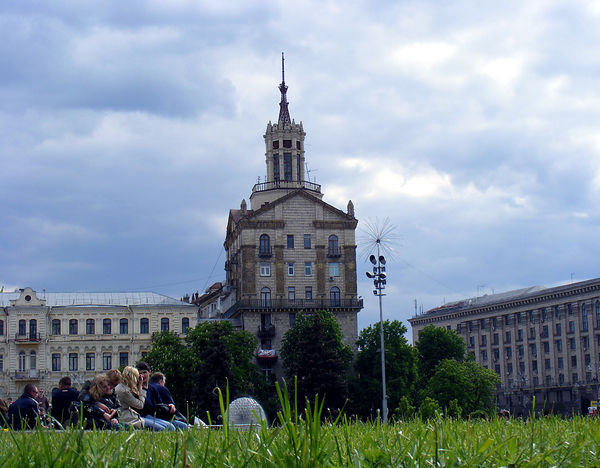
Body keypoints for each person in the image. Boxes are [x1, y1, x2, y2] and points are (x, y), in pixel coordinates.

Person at [115, 366, 174, 431]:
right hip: (130, 420)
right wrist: (140, 388)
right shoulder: (124, 391)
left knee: (170, 426)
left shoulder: (124, 387)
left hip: (135, 417)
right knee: (165, 429)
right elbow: (140, 405)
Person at [135, 362, 181, 430]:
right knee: (170, 428)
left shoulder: (152, 388)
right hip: (144, 416)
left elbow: (159, 404)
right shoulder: (136, 389)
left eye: (144, 373)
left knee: (182, 426)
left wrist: (169, 406)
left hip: (156, 416)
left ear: (149, 372)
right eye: (140, 373)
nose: (142, 376)